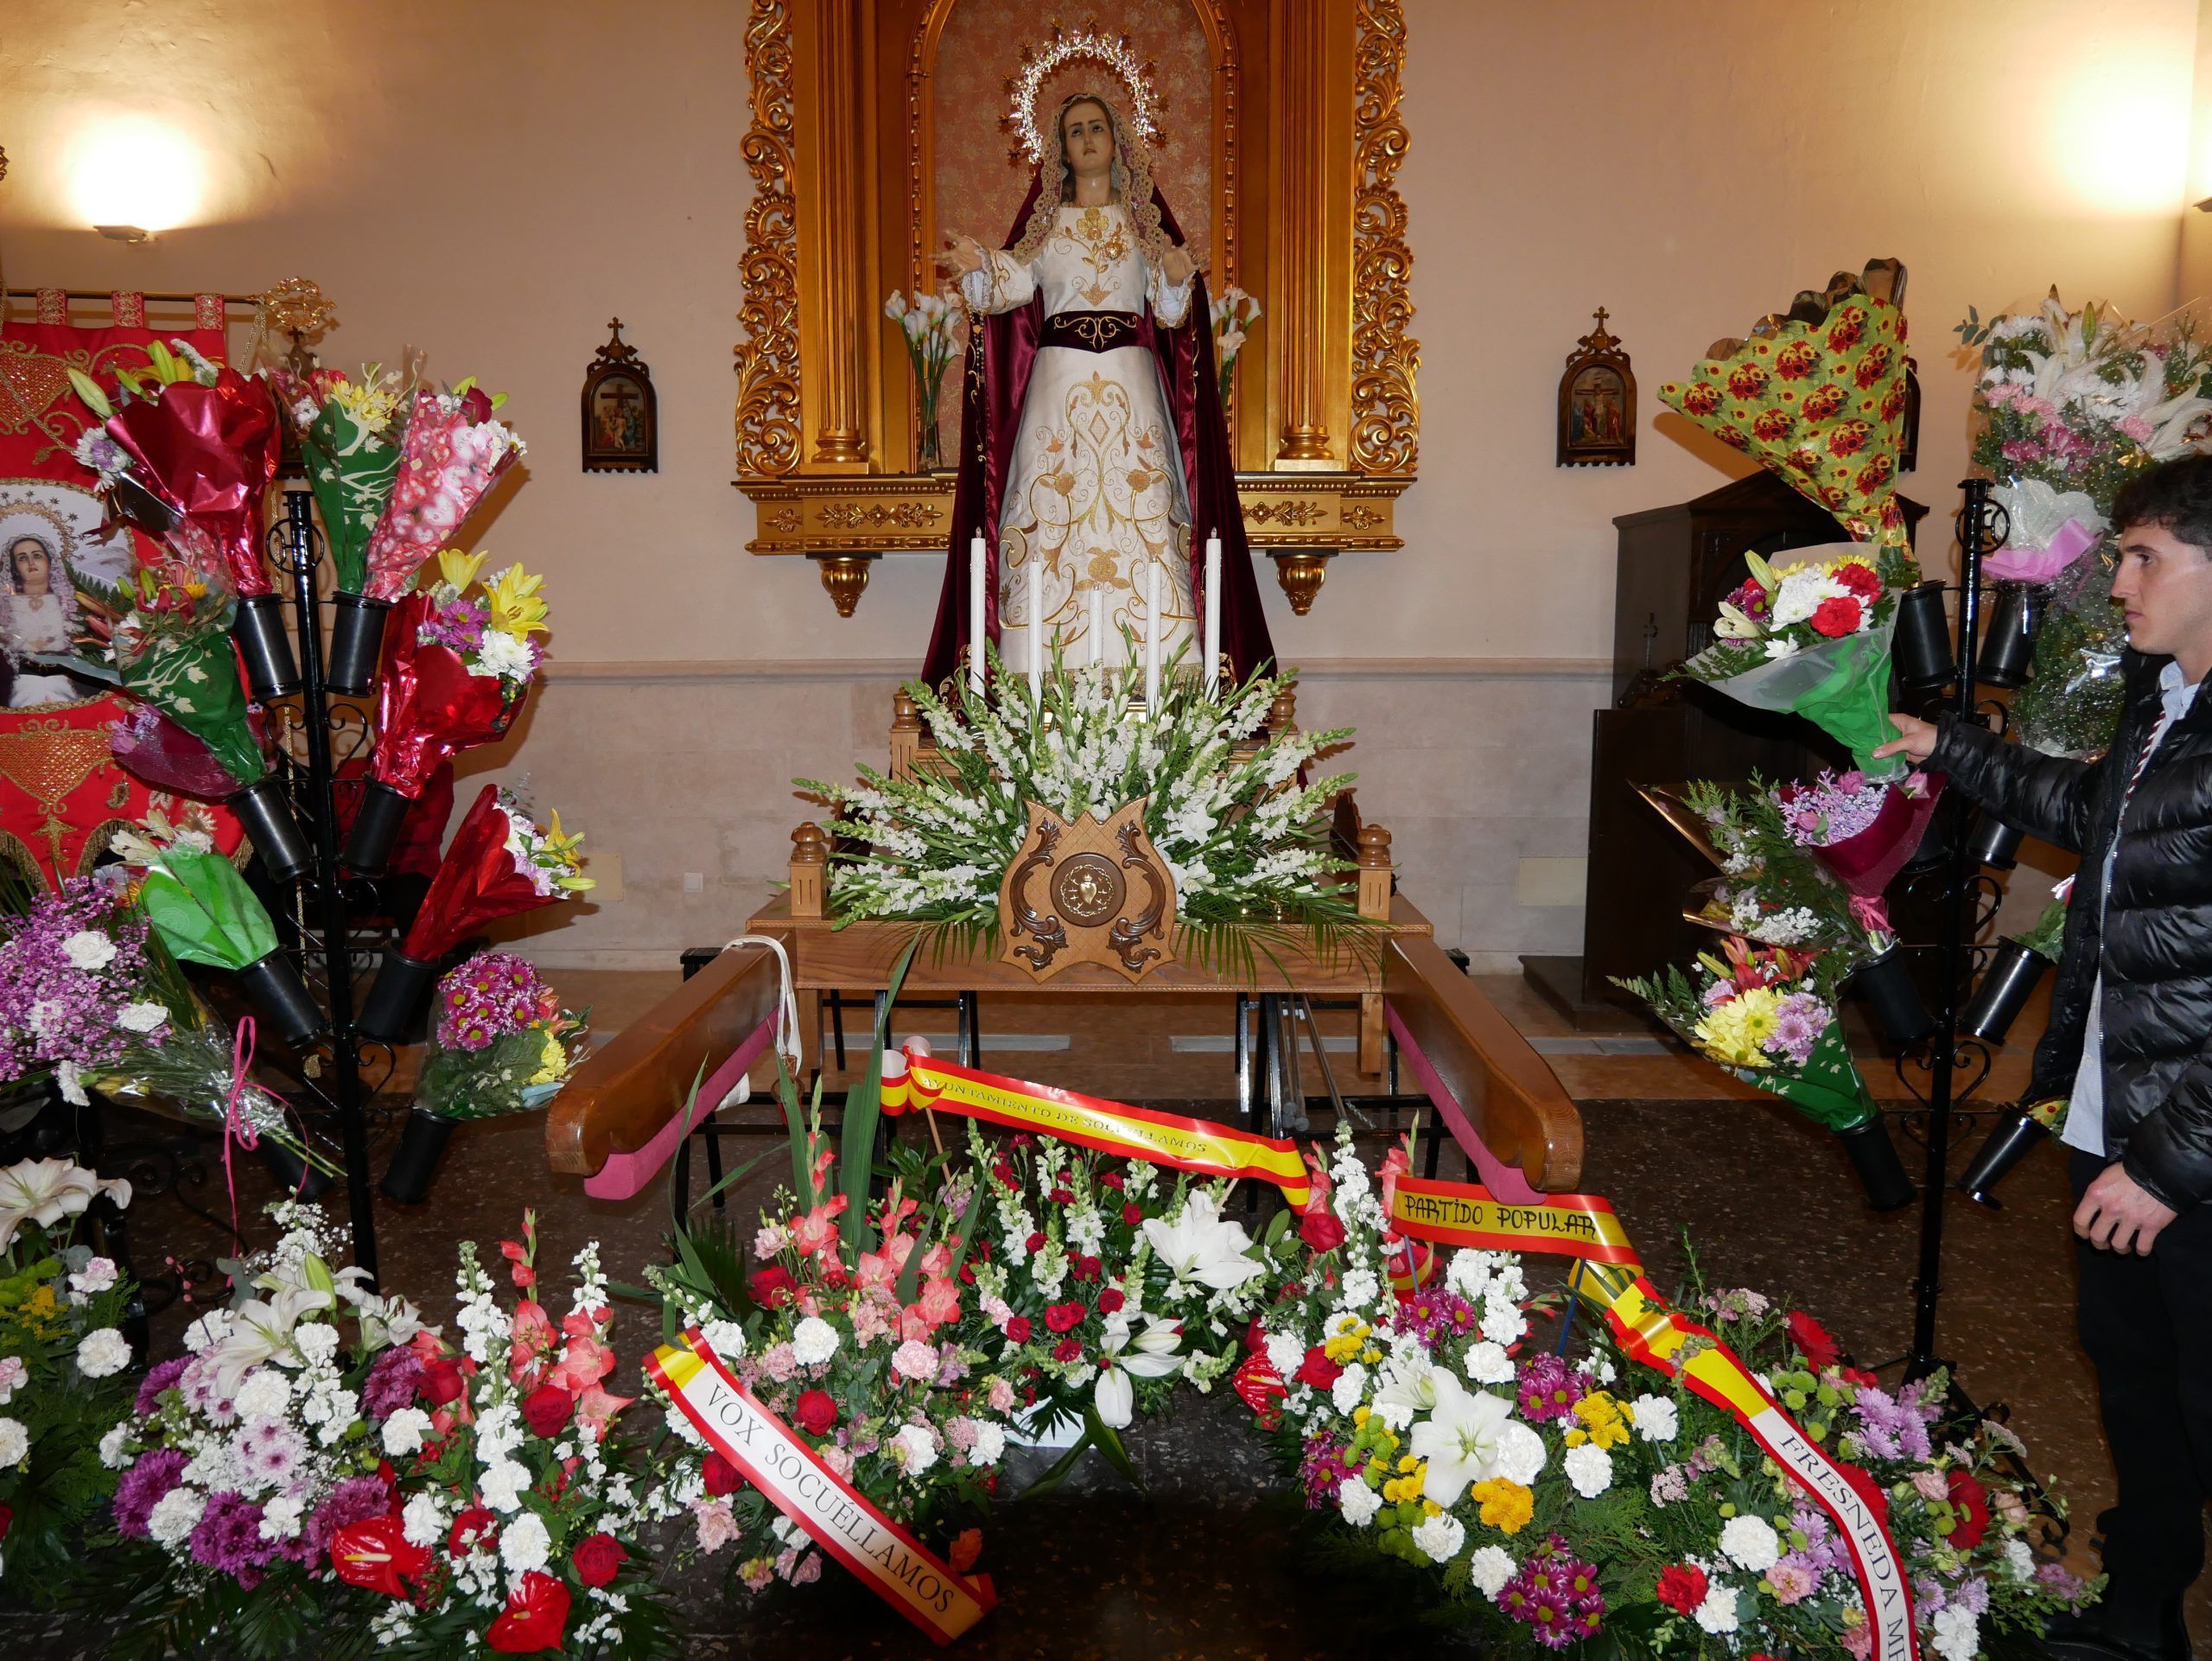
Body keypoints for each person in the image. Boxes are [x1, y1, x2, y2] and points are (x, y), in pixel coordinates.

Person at [1877, 453, 2212, 1661]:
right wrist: (1937, 743)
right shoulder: (2163, 700)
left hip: (2188, 1150)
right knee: (2137, 1382)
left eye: (2144, 558)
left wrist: (2172, 1166)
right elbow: (2083, 812)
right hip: (2119, 1112)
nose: (2118, 579)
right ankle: (2140, 1618)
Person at [919, 89, 1274, 690]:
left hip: (1131, 391)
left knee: (1144, 512)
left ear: (1117, 145)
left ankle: (1159, 665)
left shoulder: (1144, 232)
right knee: (1056, 511)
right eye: (1074, 131)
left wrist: (1178, 282)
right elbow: (1009, 284)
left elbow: (1167, 314)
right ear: (1059, 152)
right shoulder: (1045, 230)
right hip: (1058, 393)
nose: (1086, 139)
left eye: (1096, 129)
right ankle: (1043, 668)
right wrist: (979, 263)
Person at [3, 533, 85, 708]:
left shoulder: (72, 602)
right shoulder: (6, 606)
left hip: (68, 682)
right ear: (15, 568)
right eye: (22, 558)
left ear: (50, 562)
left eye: (37, 556)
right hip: (22, 684)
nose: (31, 563)